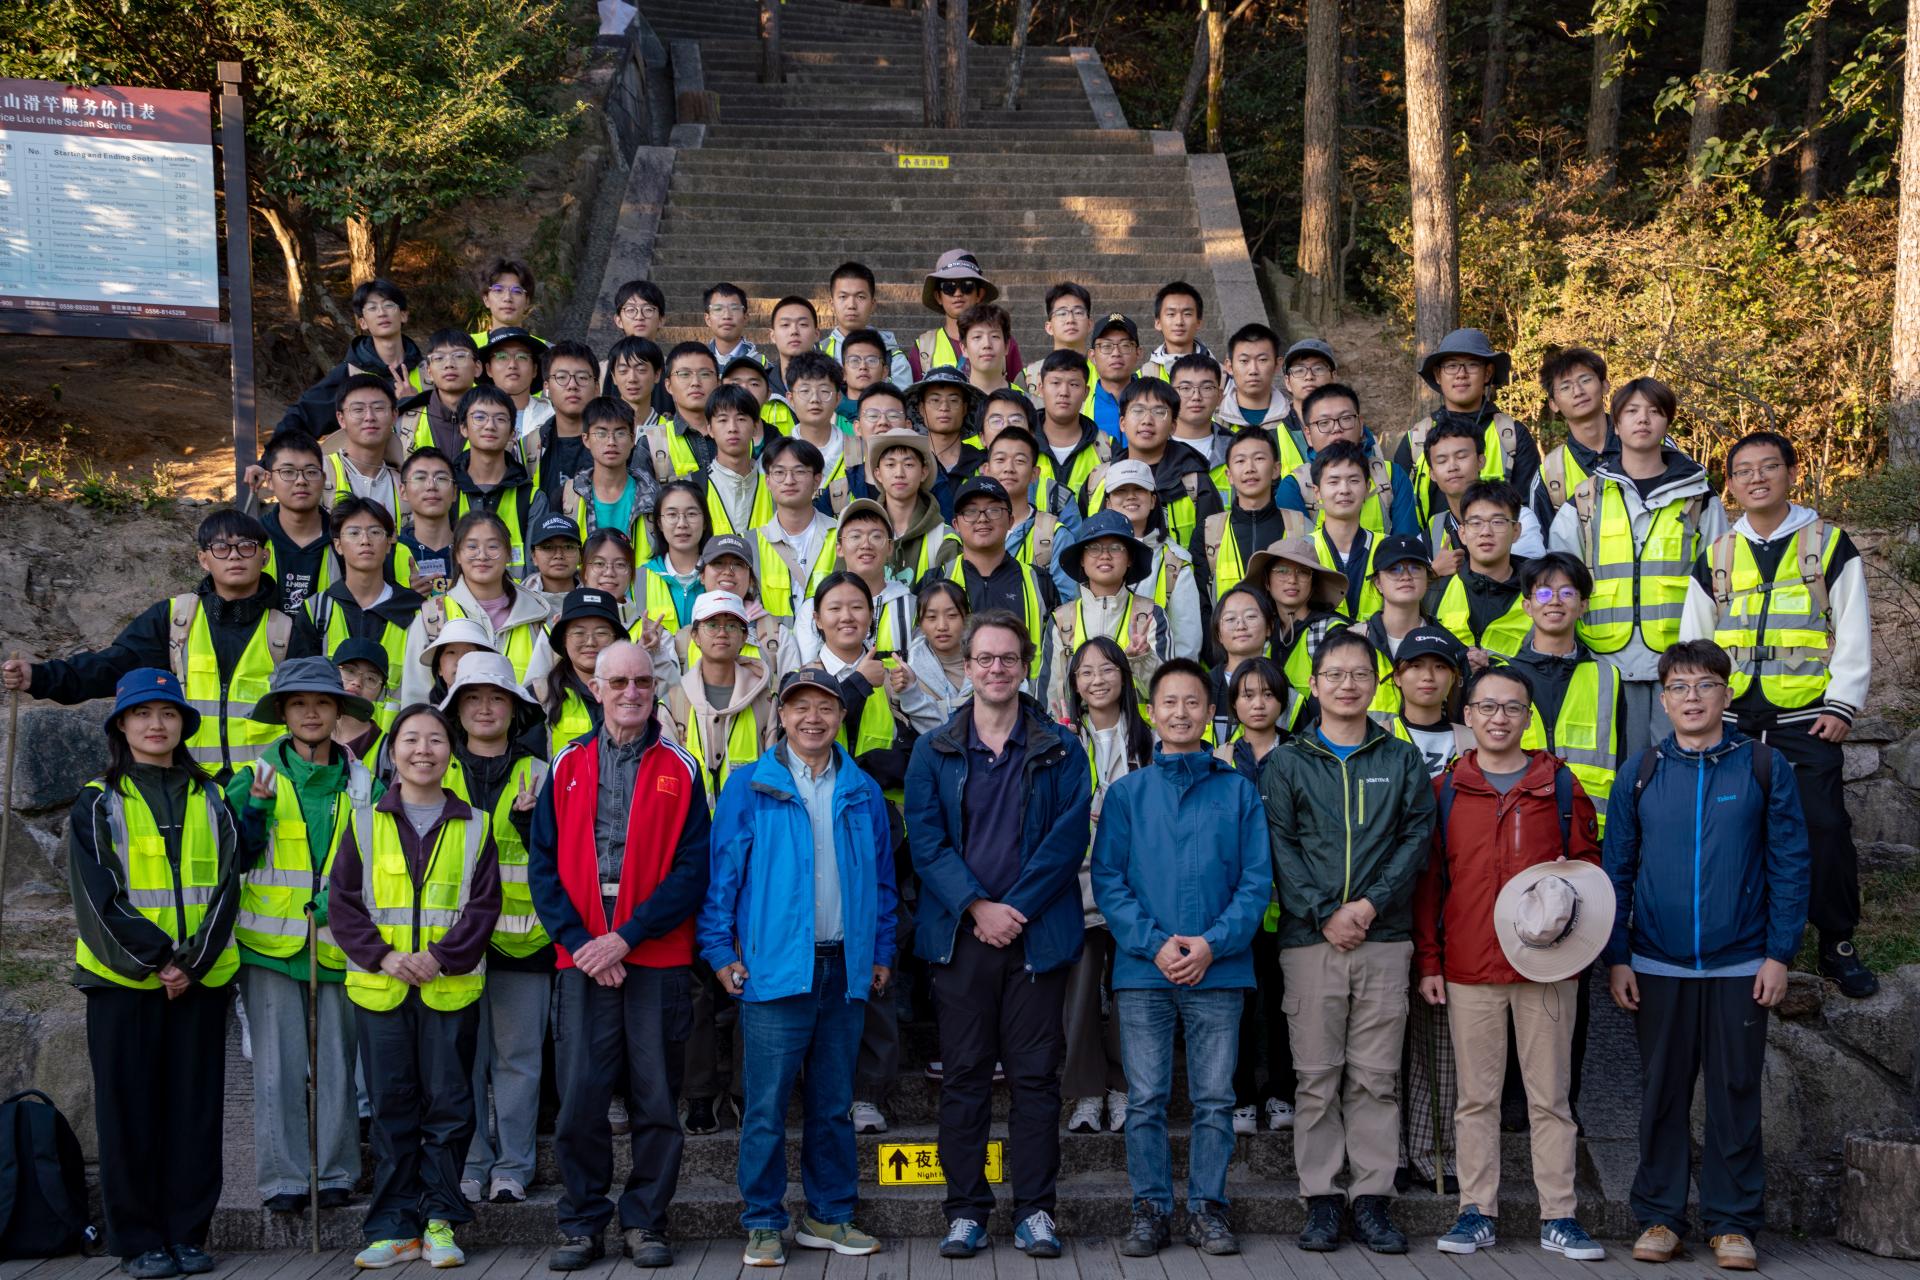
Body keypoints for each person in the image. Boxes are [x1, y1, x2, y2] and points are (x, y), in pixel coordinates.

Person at [1603, 640, 1810, 1273]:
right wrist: (1618, 956)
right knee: (1662, 1095)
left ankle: (1732, 1223)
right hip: (1656, 962)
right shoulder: (1641, 771)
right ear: (1663, 700)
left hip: (1741, 963)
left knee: (1735, 1093)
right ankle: (1660, 1217)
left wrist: (1779, 955)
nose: (1691, 697)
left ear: (1727, 692)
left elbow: (1791, 863)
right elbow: (1616, 870)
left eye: (1704, 685)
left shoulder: (1763, 766)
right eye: (1678, 687)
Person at [905, 610, 1092, 1261]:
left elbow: (1067, 840)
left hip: (1036, 938)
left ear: (1025, 665)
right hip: (961, 939)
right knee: (964, 1077)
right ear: (968, 666)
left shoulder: (1061, 748)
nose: (995, 668)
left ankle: (1036, 1210)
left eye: (1008, 658)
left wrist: (1014, 908)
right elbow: (926, 843)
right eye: (984, 658)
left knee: (1036, 1079)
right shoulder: (934, 750)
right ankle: (966, 1212)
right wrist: (978, 907)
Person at [703, 668, 898, 1266]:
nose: (813, 719)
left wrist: (880, 952)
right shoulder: (750, 785)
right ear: (781, 716)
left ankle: (829, 1215)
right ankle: (763, 1222)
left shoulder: (862, 789)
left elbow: (882, 882)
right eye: (799, 707)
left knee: (834, 1104)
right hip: (775, 970)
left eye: (825, 707)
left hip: (844, 969)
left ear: (841, 716)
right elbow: (722, 878)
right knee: (765, 1107)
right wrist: (720, 952)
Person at [1414, 664, 1608, 1263]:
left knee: (1551, 1098)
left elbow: (1588, 874)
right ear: (1467, 716)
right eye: (1487, 707)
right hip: (1469, 966)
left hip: (1548, 969)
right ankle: (1476, 1211)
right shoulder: (1446, 790)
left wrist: (1577, 953)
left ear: (1529, 718)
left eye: (1512, 708)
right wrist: (1430, 961)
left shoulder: (1560, 787)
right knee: (1476, 1099)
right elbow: (1429, 885)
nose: (1499, 718)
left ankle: (1560, 1216)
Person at [528, 641, 712, 1271]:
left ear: (654, 689)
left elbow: (692, 870)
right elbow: (543, 866)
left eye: (642, 681)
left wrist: (626, 936)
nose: (631, 692)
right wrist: (583, 943)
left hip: (653, 954)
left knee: (656, 1101)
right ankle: (581, 1223)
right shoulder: (566, 763)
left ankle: (646, 1222)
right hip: (582, 956)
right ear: (596, 689)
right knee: (580, 1101)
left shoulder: (682, 767)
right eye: (618, 682)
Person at [1681, 429, 1876, 998]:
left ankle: (1836, 941)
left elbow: (1853, 626)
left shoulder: (1827, 543)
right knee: (1728, 830)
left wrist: (1843, 704)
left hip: (1806, 719)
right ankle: (1737, 935)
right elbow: (1695, 640)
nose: (1757, 478)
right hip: (1732, 722)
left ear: (1791, 472)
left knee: (1824, 827)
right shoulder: (1717, 555)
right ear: (1731, 483)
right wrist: (1697, 708)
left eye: (1768, 466)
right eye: (1743, 470)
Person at [1262, 629, 1435, 1255]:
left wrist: (1366, 906)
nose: (1346, 685)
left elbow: (1416, 839)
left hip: (1383, 938)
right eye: (1334, 674)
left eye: (1359, 674)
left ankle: (1372, 1198)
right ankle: (1321, 1198)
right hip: (1310, 942)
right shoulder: (1288, 762)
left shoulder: (1401, 759)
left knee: (1375, 1078)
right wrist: (1324, 913)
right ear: (1313, 684)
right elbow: (1281, 847)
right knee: (1315, 1078)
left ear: (1376, 682)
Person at [71, 669, 245, 1279]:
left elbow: (228, 885)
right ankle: (139, 1240)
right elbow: (98, 897)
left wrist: (190, 964)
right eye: (143, 714)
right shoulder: (99, 799)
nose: (156, 724)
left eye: (168, 713)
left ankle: (187, 1233)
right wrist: (159, 961)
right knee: (129, 1113)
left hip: (200, 980)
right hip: (123, 984)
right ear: (121, 724)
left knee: (194, 1113)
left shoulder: (212, 796)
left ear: (182, 724)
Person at [1094, 659, 1270, 1259]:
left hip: (1219, 968)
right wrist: (1156, 943)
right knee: (1144, 1099)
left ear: (1210, 712)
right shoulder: (1127, 794)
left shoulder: (1237, 791)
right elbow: (1109, 881)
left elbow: (1256, 881)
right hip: (1144, 969)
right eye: (1168, 702)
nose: (1180, 712)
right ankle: (1149, 1208)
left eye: (1193, 702)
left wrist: (1213, 943)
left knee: (1215, 1099)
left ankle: (1207, 1208)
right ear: (1150, 713)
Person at [327, 702, 502, 1270]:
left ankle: (441, 1221)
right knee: (390, 1109)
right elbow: (343, 905)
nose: (423, 750)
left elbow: (483, 907)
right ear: (393, 751)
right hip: (382, 990)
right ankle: (394, 1226)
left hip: (449, 989)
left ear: (451, 753)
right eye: (410, 739)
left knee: (450, 1108)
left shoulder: (476, 824)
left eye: (435, 740)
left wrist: (439, 958)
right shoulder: (362, 821)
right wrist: (386, 956)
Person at [3, 509, 321, 780]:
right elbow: (113, 666)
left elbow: (313, 709)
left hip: (266, 787)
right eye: (221, 547)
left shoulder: (288, 628)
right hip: (190, 784)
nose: (235, 555)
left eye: (246, 547)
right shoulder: (174, 619)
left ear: (264, 557)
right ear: (203, 559)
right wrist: (40, 677)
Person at [229, 658, 381, 1215]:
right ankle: (284, 1179)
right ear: (283, 713)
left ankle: (338, 1172)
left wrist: (337, 907)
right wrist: (255, 813)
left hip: (340, 946)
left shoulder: (367, 783)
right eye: (298, 704)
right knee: (277, 1069)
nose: (311, 713)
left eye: (321, 703)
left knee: (338, 1068)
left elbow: (380, 861)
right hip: (269, 947)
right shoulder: (252, 777)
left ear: (339, 711)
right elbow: (234, 858)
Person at [1549, 377, 1728, 753]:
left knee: (1679, 764)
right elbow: (1560, 582)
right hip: (1603, 660)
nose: (1643, 419)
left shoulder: (1699, 498)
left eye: (1654, 411)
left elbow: (1722, 583)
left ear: (1668, 422)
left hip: (1680, 664)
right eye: (1631, 411)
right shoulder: (1585, 499)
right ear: (1615, 424)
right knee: (1613, 769)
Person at [437, 654, 551, 1208]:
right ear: (456, 709)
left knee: (518, 1061)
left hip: (523, 941)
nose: (485, 708)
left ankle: (513, 1167)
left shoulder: (542, 774)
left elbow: (560, 861)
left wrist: (531, 826)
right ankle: (471, 1164)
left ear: (514, 709)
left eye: (497, 697)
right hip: (450, 945)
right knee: (463, 1060)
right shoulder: (435, 768)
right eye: (473, 698)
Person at [1062, 637, 1153, 1136]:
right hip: (1075, 883)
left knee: (1129, 994)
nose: (1097, 680)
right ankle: (1086, 1093)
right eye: (1086, 672)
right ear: (1074, 684)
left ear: (1124, 675)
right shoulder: (1061, 740)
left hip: (1136, 884)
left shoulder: (1148, 738)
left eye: (1107, 669)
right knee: (1078, 996)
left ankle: (1123, 1089)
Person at [1217, 658, 1296, 1135]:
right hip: (1236, 902)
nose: (1258, 703)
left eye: (1268, 694)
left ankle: (1282, 1093)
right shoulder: (1220, 758)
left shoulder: (1300, 753)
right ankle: (1242, 1095)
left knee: (1284, 1003)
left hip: (1290, 902)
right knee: (1241, 1004)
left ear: (1282, 701)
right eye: (1247, 695)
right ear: (1234, 703)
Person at [397, 511, 555, 707]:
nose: (482, 555)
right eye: (472, 547)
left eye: (493, 546)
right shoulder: (432, 616)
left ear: (508, 554)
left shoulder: (539, 615)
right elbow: (416, 699)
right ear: (457, 555)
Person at [306, 497, 426, 728]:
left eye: (375, 532)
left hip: (396, 742)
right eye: (353, 533)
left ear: (389, 543)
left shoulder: (416, 611)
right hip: (330, 744)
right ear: (338, 545)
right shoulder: (317, 610)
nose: (365, 541)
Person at [1394, 328, 1542, 511]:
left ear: (1488, 373)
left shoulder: (1513, 436)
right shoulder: (1416, 440)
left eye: (1472, 365)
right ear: (1438, 375)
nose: (1461, 374)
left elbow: (1529, 510)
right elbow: (1399, 510)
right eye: (1451, 366)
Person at [1046, 510, 1168, 719]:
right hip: (1077, 736)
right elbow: (1050, 697)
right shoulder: (1062, 619)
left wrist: (1142, 659)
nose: (1105, 555)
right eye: (1094, 548)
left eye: (1116, 547)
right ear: (1082, 559)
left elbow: (1166, 694)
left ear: (1130, 559)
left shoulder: (1150, 615)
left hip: (1139, 734)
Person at [944, 477, 1057, 685]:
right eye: (970, 511)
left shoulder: (1039, 582)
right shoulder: (938, 580)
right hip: (954, 701)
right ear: (956, 525)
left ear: (1011, 521)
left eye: (993, 510)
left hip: (1026, 700)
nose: (982, 518)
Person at [1274, 384, 1416, 539]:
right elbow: (1296, 549)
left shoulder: (1392, 476)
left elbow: (1406, 545)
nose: (1336, 428)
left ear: (1360, 425)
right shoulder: (1294, 486)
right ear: (1308, 434)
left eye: (1346, 419)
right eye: (1324, 422)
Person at [1096, 459, 1204, 662]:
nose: (1130, 496)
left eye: (1139, 489)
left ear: (1153, 500)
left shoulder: (1176, 562)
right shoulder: (1091, 555)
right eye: (1120, 491)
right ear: (1108, 503)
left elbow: (1186, 645)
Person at [1427, 480, 1532, 666]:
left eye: (1497, 522)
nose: (1485, 532)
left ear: (1516, 531)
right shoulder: (1434, 594)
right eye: (1475, 523)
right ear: (1462, 533)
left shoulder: (1539, 595)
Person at [1195, 427, 1290, 606]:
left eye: (1259, 458)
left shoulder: (1301, 528)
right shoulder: (1209, 532)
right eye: (1240, 461)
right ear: (1229, 475)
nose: (1250, 469)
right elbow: (1202, 604)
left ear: (1276, 469)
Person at [451, 385, 539, 577]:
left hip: (517, 596)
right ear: (463, 428)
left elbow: (536, 572)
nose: (490, 426)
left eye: (500, 419)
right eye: (479, 417)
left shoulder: (531, 497)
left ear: (512, 432)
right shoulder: (448, 491)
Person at [1528, 347, 1616, 529]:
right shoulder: (1550, 475)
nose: (1578, 391)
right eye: (1565, 387)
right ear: (1553, 404)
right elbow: (1542, 542)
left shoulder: (1652, 446)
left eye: (1585, 380)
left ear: (1605, 385)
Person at [258, 429, 335, 616]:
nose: (301, 481)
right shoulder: (251, 541)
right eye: (288, 472)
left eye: (311, 472)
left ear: (323, 479)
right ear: (269, 480)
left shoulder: (346, 538)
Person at [914, 249, 1023, 379]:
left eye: (967, 286)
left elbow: (1015, 389)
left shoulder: (1000, 343)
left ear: (979, 294)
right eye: (949, 287)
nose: (958, 293)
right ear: (938, 297)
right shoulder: (924, 347)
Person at [322, 374, 405, 518]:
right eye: (358, 409)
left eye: (378, 408)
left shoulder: (406, 483)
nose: (369, 417)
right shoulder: (318, 473)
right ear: (341, 419)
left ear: (394, 416)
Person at [821, 261, 912, 387]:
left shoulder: (893, 358)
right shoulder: (818, 353)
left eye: (860, 297)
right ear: (832, 304)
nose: (851, 305)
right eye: (843, 297)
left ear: (872, 304)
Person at [906, 578, 973, 720]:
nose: (942, 626)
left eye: (952, 615)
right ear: (920, 624)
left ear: (966, 618)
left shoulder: (992, 664)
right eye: (931, 617)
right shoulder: (909, 675)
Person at [395, 447, 459, 594]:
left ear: (454, 492)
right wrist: (406, 597)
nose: (431, 486)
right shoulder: (391, 553)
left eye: (441, 478)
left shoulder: (473, 550)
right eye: (420, 478)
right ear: (403, 492)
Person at [1140, 281, 1211, 380]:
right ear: (1158, 323)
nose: (1179, 322)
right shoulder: (1141, 377)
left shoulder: (1221, 376)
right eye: (1171, 314)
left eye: (1187, 314)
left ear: (1199, 322)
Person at [470, 258, 541, 343]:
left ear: (527, 302)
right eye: (498, 290)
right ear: (486, 300)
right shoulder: (467, 345)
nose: (507, 298)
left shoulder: (546, 348)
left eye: (517, 291)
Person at [702, 282, 761, 368]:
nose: (726, 316)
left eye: (734, 309)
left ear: (745, 317)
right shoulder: (698, 363)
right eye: (718, 309)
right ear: (708, 319)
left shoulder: (762, 366)